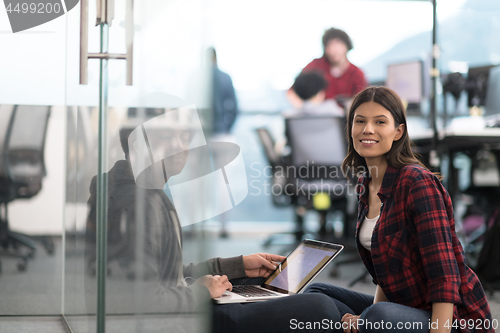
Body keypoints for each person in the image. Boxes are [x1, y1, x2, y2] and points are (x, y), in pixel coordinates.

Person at [85, 108, 338, 331]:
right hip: (180, 320)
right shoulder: (139, 205)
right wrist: (201, 292)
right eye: (166, 136)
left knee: (276, 284)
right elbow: (140, 299)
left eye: (184, 136)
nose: (180, 146)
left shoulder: (139, 189)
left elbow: (167, 274)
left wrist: (237, 265)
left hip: (183, 304)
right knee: (320, 307)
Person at [303, 86, 494, 333]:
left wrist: (368, 321)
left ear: (398, 131)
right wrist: (368, 320)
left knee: (377, 316)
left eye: (380, 121)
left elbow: (444, 275)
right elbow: (386, 271)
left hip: (450, 320)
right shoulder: (366, 182)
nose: (367, 129)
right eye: (359, 121)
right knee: (317, 295)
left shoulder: (416, 182)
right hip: (403, 308)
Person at [289, 28, 367, 109]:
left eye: (338, 43)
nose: (334, 49)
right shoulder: (316, 65)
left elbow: (362, 105)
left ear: (347, 45)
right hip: (317, 116)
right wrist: (304, 109)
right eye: (329, 45)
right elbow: (291, 92)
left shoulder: (357, 73)